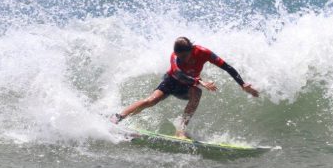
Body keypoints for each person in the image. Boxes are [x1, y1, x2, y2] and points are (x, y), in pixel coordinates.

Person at [110, 36, 259, 138]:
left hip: (187, 87)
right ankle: (118, 118)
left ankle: (180, 131)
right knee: (151, 101)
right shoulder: (174, 56)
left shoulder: (203, 52)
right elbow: (178, 74)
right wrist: (201, 82)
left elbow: (227, 67)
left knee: (197, 93)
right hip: (171, 82)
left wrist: (242, 84)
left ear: (192, 49)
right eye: (179, 56)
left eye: (185, 56)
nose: (182, 59)